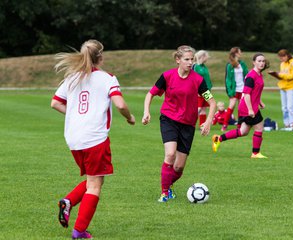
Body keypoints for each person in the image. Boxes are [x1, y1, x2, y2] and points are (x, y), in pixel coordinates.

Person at [51, 39, 135, 239]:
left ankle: (69, 201)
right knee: (95, 185)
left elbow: (55, 103)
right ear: (101, 57)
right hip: (95, 138)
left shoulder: (72, 77)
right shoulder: (107, 78)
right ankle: (79, 231)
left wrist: (76, 116)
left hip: (73, 138)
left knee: (93, 179)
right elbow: (121, 104)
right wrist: (129, 117)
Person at [142, 45, 216, 202]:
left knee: (178, 167)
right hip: (169, 119)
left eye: (192, 59)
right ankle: (164, 193)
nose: (190, 63)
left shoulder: (198, 79)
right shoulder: (167, 76)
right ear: (178, 60)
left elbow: (212, 102)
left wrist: (208, 121)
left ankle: (168, 186)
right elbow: (151, 94)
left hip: (188, 124)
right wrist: (146, 112)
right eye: (187, 59)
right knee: (170, 154)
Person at [212, 53, 269, 159]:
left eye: (263, 61)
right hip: (248, 108)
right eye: (259, 61)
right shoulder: (251, 76)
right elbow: (246, 94)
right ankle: (255, 153)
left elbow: (254, 92)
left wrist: (260, 102)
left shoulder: (259, 74)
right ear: (254, 62)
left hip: (251, 107)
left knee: (243, 132)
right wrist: (251, 109)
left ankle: (218, 138)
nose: (262, 63)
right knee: (259, 127)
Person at [268, 49, 293, 128]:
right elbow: (283, 75)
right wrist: (275, 74)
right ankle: (286, 123)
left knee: (290, 106)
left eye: (282, 57)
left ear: (287, 55)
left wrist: (280, 75)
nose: (281, 59)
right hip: (283, 87)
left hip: (291, 87)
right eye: (280, 58)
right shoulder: (282, 64)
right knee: (284, 107)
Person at [223, 47, 249, 132]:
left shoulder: (242, 63)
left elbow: (247, 75)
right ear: (236, 53)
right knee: (232, 105)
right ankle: (225, 124)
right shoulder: (230, 65)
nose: (241, 53)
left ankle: (239, 124)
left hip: (242, 89)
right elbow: (228, 79)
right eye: (240, 52)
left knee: (240, 107)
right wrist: (230, 91)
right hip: (234, 90)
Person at [193, 50, 213, 128]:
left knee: (204, 108)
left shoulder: (204, 66)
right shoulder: (195, 66)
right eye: (206, 57)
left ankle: (202, 125)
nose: (207, 58)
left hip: (207, 90)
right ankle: (190, 123)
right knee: (199, 108)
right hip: (200, 90)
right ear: (202, 57)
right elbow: (193, 79)